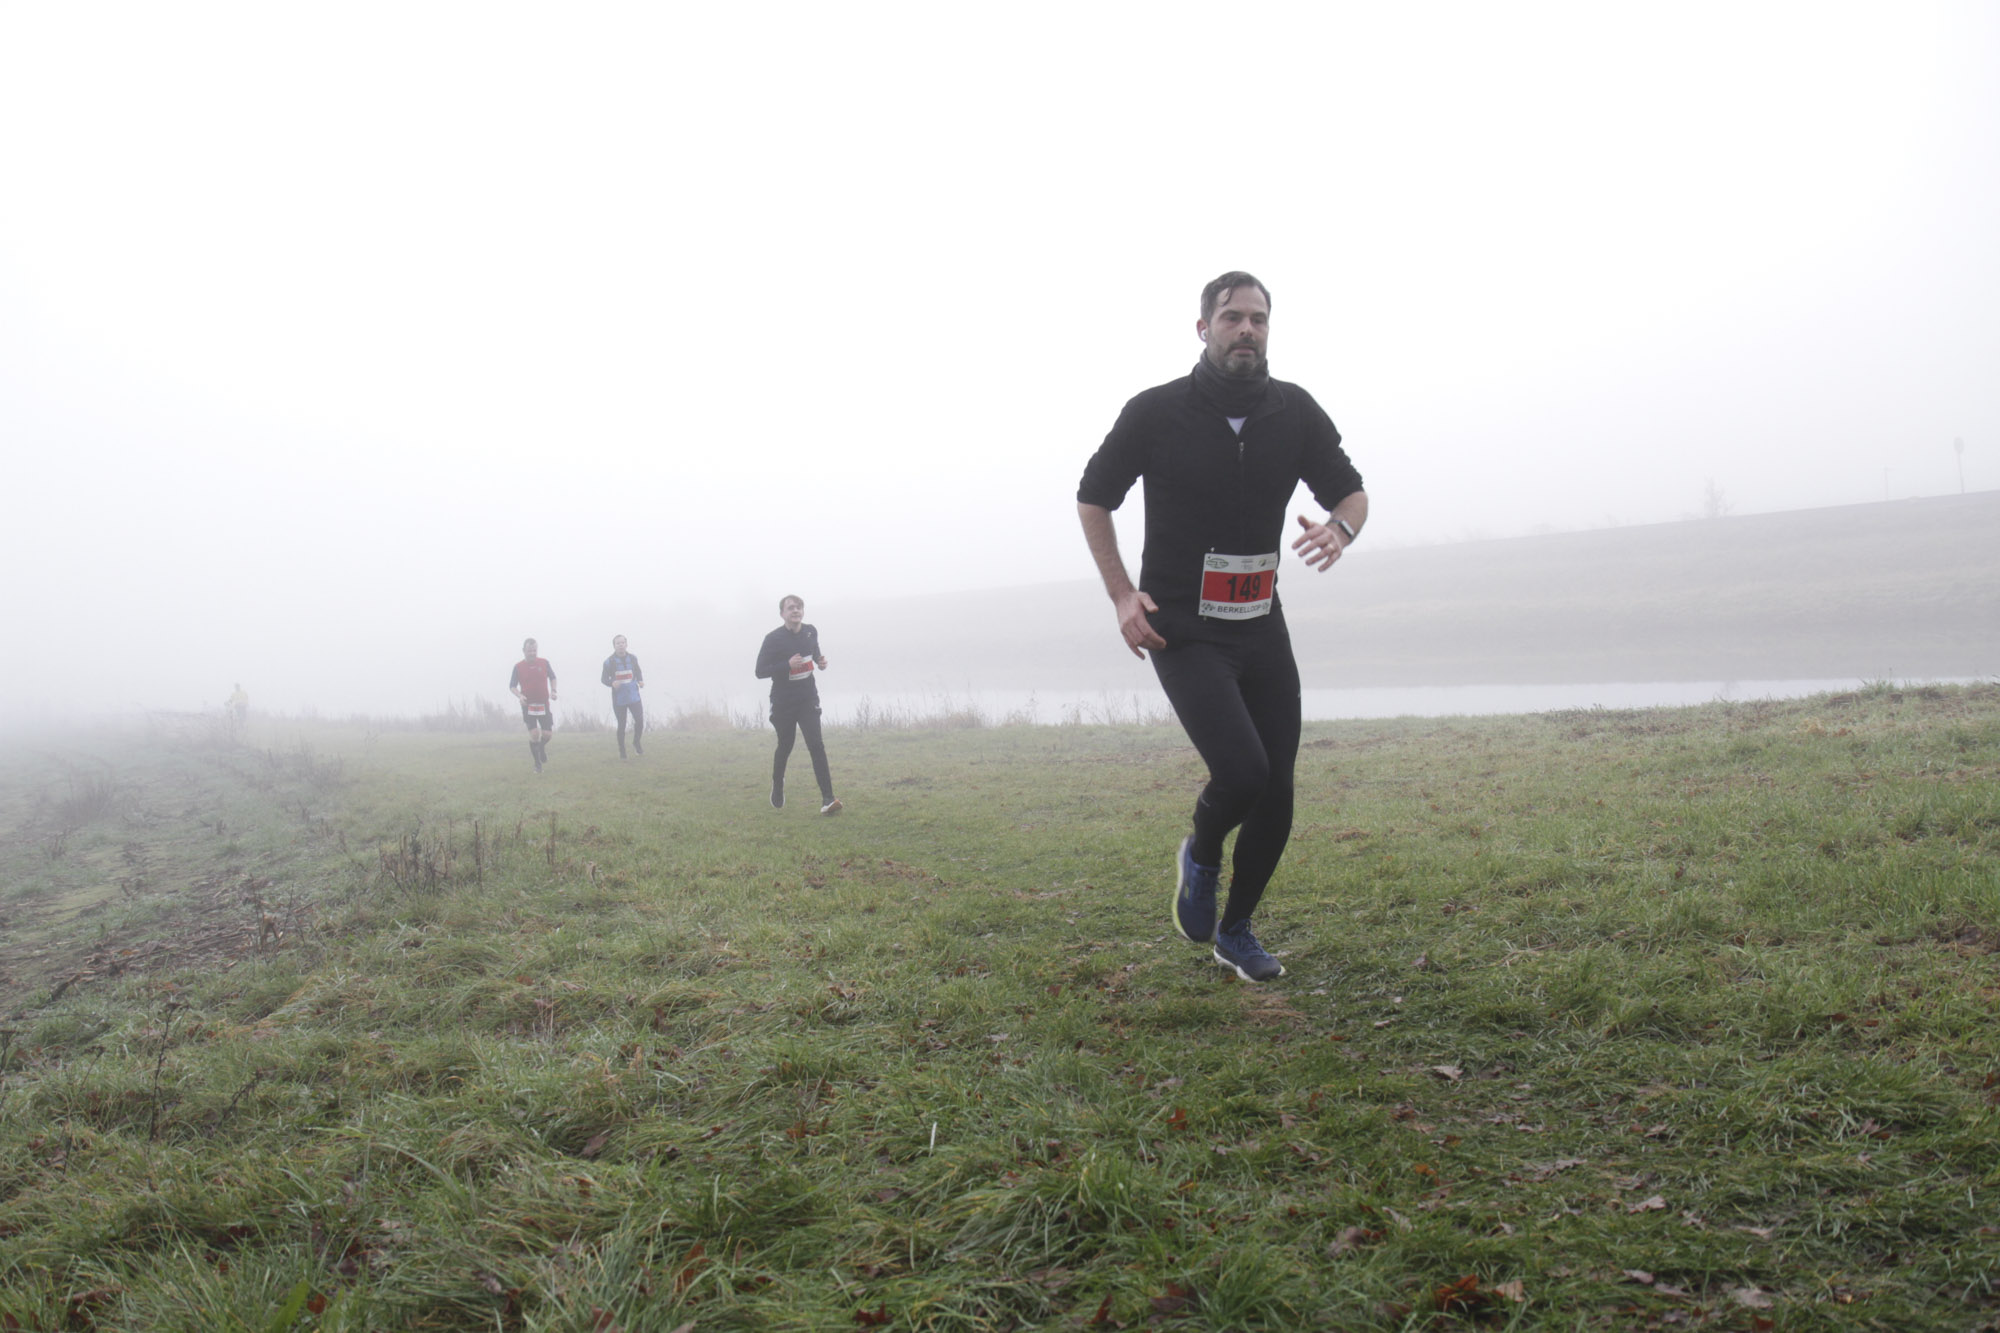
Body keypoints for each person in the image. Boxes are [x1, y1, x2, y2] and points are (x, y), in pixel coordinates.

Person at [1076, 271, 1368, 982]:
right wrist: (1122, 595)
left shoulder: (1294, 411)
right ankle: (1201, 852)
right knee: (1242, 772)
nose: (1246, 330)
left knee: (1278, 789)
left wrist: (1339, 530)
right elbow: (1094, 496)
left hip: (1261, 622)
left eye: (1258, 319)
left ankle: (1236, 930)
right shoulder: (1156, 412)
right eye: (1233, 317)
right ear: (1203, 327)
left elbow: (1351, 493)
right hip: (1182, 626)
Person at [754, 595, 842, 815]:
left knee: (816, 744)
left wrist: (821, 662)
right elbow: (760, 671)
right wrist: (786, 665)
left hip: (807, 699)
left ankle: (828, 799)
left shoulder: (810, 631)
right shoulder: (773, 639)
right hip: (783, 701)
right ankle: (778, 783)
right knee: (786, 744)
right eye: (791, 608)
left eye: (799, 607)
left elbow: (815, 655)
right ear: (782, 614)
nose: (796, 611)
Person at [508, 638, 559, 773]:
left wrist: (553, 691)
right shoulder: (518, 667)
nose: (532, 653)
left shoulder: (544, 663)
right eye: (529, 651)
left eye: (534, 650)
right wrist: (520, 696)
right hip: (528, 705)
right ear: (523, 651)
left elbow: (553, 677)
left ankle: (541, 748)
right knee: (535, 733)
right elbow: (512, 686)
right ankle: (537, 764)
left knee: (547, 734)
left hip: (543, 703)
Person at [600, 634, 646, 758]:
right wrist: (612, 682)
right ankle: (622, 751)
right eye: (618, 643)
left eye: (622, 643)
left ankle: (636, 742)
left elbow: (638, 672)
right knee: (622, 725)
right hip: (619, 698)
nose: (620, 645)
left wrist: (640, 681)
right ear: (614, 646)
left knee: (640, 720)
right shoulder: (609, 662)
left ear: (626, 644)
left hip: (634, 696)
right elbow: (603, 679)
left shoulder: (633, 658)